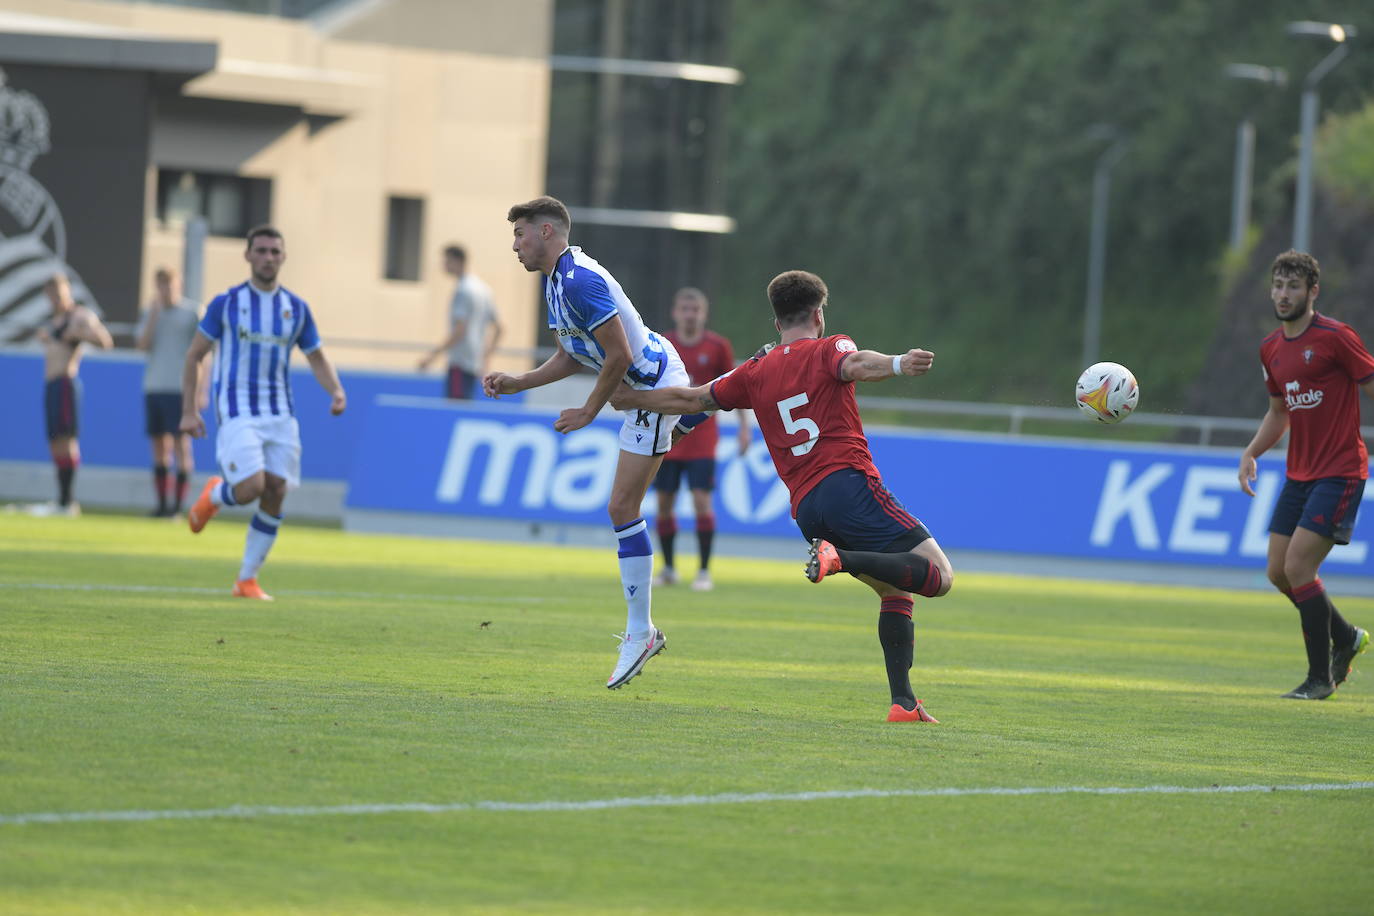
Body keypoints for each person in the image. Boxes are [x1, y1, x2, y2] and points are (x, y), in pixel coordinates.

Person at [614, 270, 952, 723]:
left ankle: (904, 703)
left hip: (807, 511)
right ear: (818, 315)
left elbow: (693, 400)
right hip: (848, 484)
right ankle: (840, 558)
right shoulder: (829, 347)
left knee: (894, 589)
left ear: (776, 323)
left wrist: (628, 396)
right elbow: (855, 365)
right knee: (938, 575)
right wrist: (897, 363)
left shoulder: (754, 371)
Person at [483, 195, 690, 689]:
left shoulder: (579, 281)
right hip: (640, 386)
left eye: (521, 234)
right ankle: (642, 630)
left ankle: (642, 632)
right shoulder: (557, 283)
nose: (515, 245)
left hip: (653, 386)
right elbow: (573, 356)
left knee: (622, 506)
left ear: (548, 233)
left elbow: (617, 355)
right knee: (622, 507)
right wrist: (519, 382)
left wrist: (589, 410)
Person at [179, 225, 347, 600]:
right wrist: (189, 411)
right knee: (252, 487)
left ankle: (246, 579)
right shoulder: (226, 304)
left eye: (275, 252)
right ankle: (216, 495)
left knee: (276, 491)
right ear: (248, 255)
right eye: (262, 251)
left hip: (281, 414)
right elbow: (194, 355)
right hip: (238, 411)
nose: (269, 258)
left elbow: (316, 356)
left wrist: (335, 391)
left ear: (283, 257)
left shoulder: (296, 309)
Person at [1238, 249, 1371, 700]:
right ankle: (1347, 636)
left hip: (1341, 471)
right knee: (1278, 571)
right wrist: (1252, 452)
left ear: (1313, 291)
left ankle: (1320, 679)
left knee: (1299, 566)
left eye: (1293, 286)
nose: (1283, 294)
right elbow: (1279, 412)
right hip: (1300, 474)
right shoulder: (1271, 348)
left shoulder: (1336, 337)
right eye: (1278, 285)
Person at [652, 286, 750, 591]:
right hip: (667, 435)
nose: (690, 315)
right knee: (664, 503)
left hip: (702, 438)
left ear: (703, 314)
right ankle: (668, 568)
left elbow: (733, 386)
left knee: (701, 501)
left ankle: (704, 571)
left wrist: (745, 426)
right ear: (675, 312)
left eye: (695, 310)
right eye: (685, 309)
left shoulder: (718, 347)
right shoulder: (663, 344)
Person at [33, 273, 113, 516]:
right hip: (51, 384)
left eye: (59, 293)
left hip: (66, 382)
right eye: (51, 295)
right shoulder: (53, 321)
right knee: (55, 440)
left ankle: (69, 501)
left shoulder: (79, 316)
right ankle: (61, 499)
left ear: (68, 291)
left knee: (67, 440)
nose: (56, 299)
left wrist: (79, 334)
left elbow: (105, 341)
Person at [136, 267, 201, 517]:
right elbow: (142, 346)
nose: (166, 290)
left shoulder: (192, 313)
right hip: (154, 386)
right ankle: (162, 504)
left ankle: (178, 506)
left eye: (170, 284)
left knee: (181, 445)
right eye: (161, 285)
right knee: (159, 446)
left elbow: (203, 356)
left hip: (180, 389)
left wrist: (199, 392)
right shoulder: (150, 313)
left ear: (179, 284)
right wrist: (153, 316)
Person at [418, 244, 503, 399]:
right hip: (475, 363)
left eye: (446, 261)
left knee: (453, 410)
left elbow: (459, 330)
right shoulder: (483, 289)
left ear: (457, 261)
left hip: (460, 363)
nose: (443, 265)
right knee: (464, 408)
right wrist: (486, 358)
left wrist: (432, 356)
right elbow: (499, 328)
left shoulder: (463, 290)